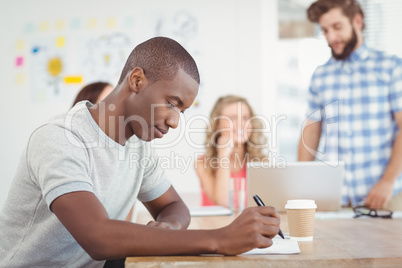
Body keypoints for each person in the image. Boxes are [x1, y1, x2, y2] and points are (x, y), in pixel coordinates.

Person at [0, 37, 281, 268]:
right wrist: (220, 239)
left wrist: (167, 229)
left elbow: (174, 207)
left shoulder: (138, 146)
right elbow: (98, 237)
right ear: (136, 81)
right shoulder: (60, 137)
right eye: (172, 103)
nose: (174, 122)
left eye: (181, 111)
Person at [298, 0, 402, 210]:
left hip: (386, 196)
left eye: (337, 27)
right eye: (325, 30)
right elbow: (311, 133)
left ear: (357, 21)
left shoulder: (391, 67)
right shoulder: (320, 76)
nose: (330, 38)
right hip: (337, 199)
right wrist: (300, 187)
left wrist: (387, 182)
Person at [195, 95, 268, 209]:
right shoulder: (202, 164)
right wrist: (223, 155)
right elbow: (224, 202)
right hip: (214, 225)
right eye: (232, 118)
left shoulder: (262, 162)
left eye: (245, 117)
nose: (241, 123)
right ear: (217, 125)